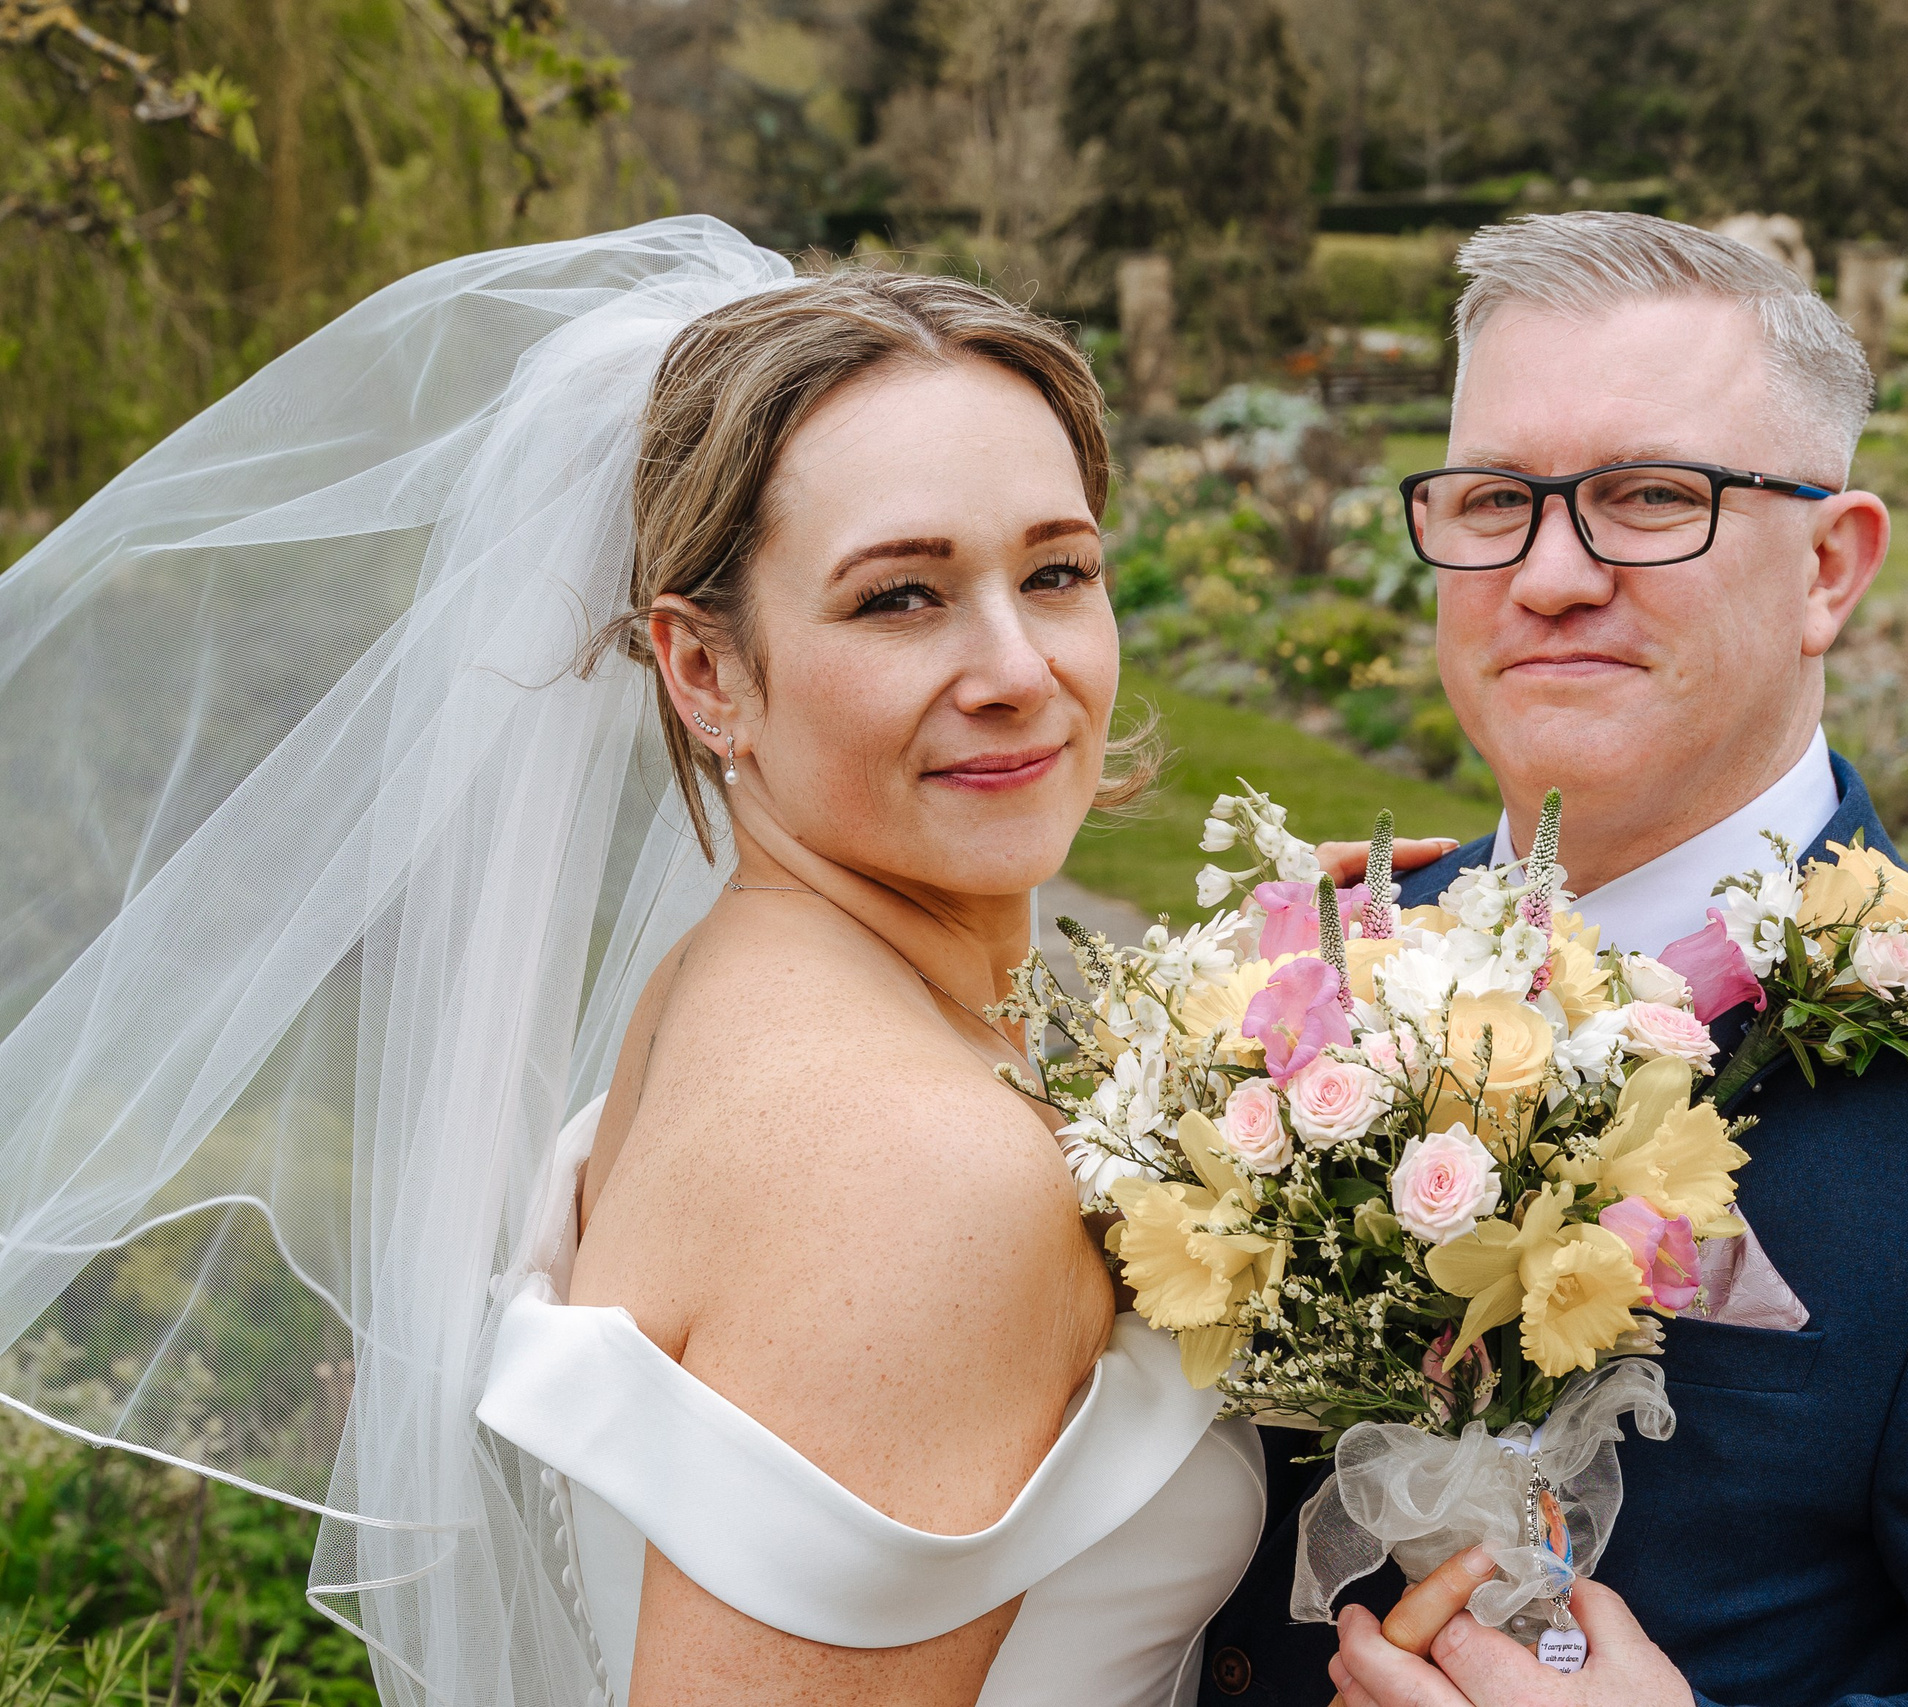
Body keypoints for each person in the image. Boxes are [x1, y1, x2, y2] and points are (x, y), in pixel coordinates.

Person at [0, 219, 1394, 1706]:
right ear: (706, 671)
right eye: (900, 596)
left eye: (1056, 574)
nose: (1016, 671)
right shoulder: (908, 1166)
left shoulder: (737, 987)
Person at [1196, 212, 1908, 1707]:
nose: (1551, 574)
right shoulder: (1308, 987)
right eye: (1495, 499)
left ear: (1832, 564)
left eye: (1650, 497)